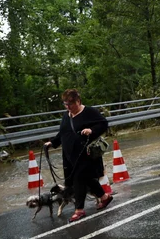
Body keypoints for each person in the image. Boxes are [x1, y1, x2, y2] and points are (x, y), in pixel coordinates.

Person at [44, 89, 112, 223]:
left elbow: (103, 123)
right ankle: (104, 197)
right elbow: (63, 133)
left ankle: (79, 210)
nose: (68, 107)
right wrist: (52, 142)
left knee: (78, 179)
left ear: (78, 101)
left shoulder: (89, 112)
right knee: (87, 179)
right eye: (66, 104)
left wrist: (91, 130)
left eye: (71, 104)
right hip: (70, 156)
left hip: (85, 154)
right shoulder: (66, 116)